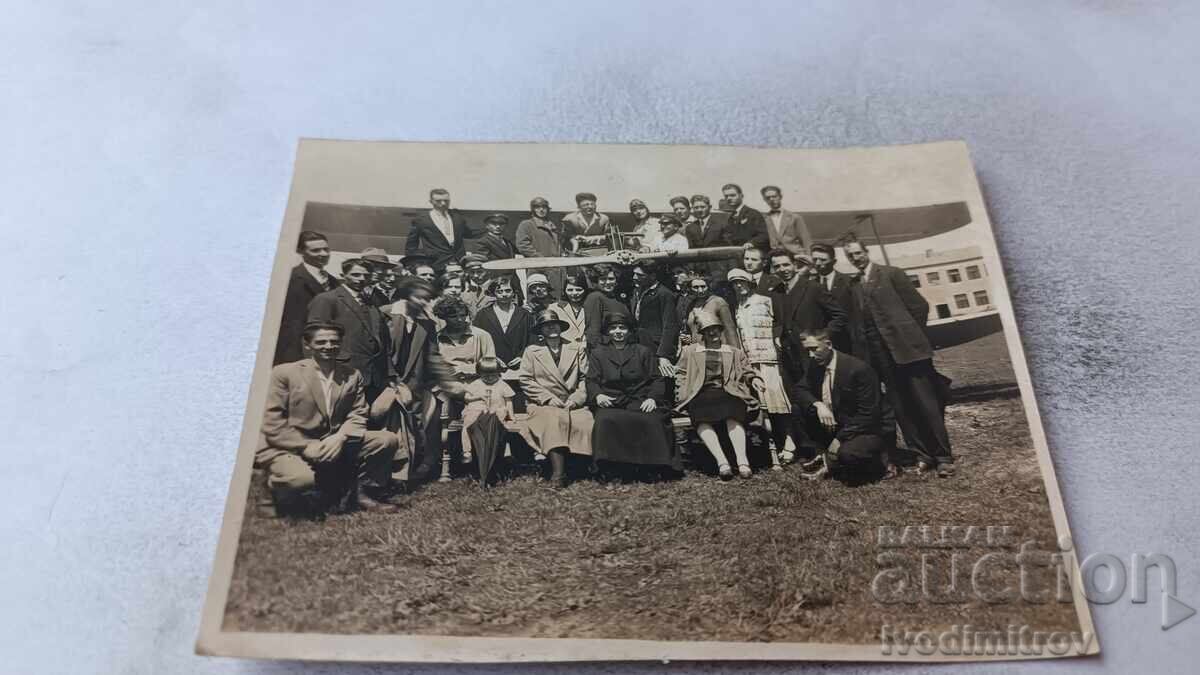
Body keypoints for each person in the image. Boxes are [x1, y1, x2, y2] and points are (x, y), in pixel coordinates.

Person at [257, 321, 403, 517]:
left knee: (386, 440)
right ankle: (274, 490)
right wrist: (306, 446)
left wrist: (341, 436)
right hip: (290, 445)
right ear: (308, 345)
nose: (329, 346)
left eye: (334, 341)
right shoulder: (284, 373)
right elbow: (271, 420)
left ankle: (361, 494)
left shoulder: (351, 375)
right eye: (321, 342)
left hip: (333, 440)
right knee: (301, 479)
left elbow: (358, 413)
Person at [844, 240, 953, 477]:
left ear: (866, 252)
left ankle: (944, 458)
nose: (855, 258)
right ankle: (921, 455)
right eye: (850, 255)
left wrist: (910, 337)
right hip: (881, 358)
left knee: (927, 405)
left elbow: (919, 306)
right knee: (902, 409)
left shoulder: (891, 274)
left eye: (858, 253)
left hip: (909, 353)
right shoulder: (854, 285)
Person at [386, 277, 460, 485]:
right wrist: (392, 380)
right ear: (407, 295)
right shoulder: (385, 315)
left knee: (413, 427)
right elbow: (379, 351)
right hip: (387, 381)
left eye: (426, 299)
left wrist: (450, 383)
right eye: (418, 297)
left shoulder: (426, 323)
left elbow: (433, 357)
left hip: (413, 383)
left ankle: (405, 477)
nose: (422, 302)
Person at [674, 311, 765, 479]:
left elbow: (747, 370)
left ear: (721, 330)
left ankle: (742, 461)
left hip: (729, 391)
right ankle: (722, 463)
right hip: (700, 394)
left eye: (715, 328)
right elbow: (680, 373)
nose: (712, 332)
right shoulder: (691, 351)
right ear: (702, 333)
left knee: (733, 410)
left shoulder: (734, 352)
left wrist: (754, 379)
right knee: (700, 414)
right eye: (708, 330)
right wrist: (682, 393)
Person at [587, 312, 680, 474]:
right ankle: (610, 466)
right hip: (612, 400)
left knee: (653, 419)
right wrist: (598, 395)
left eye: (622, 328)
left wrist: (652, 398)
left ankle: (653, 466)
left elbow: (657, 379)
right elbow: (591, 380)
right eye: (613, 328)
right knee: (605, 419)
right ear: (607, 331)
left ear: (629, 331)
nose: (618, 332)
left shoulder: (643, 351)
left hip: (640, 399)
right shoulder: (598, 353)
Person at [791, 329, 887, 484]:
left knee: (848, 454)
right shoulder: (816, 364)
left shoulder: (858, 369)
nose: (810, 355)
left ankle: (877, 459)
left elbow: (869, 415)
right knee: (798, 409)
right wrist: (819, 405)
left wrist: (839, 438)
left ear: (828, 344)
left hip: (862, 429)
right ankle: (820, 454)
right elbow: (799, 390)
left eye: (814, 349)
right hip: (836, 423)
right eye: (807, 350)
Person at [728, 269, 796, 467]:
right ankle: (773, 444)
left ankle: (790, 442)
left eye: (741, 282)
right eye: (735, 283)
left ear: (750, 283)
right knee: (764, 406)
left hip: (770, 359)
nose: (738, 286)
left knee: (779, 402)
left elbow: (781, 324)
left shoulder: (766, 301)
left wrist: (778, 342)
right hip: (752, 361)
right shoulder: (738, 307)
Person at [518, 310, 594, 487]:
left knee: (584, 421)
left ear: (561, 327)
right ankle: (558, 473)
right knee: (552, 420)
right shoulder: (532, 351)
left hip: (571, 402)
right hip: (542, 403)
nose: (551, 328)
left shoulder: (575, 348)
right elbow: (526, 379)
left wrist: (577, 398)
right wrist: (547, 398)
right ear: (540, 330)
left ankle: (580, 469)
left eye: (554, 324)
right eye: (546, 326)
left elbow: (585, 378)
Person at [307, 258, 393, 404]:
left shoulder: (371, 304)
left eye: (366, 275)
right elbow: (313, 337)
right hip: (341, 373)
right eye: (355, 275)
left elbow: (384, 341)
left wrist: (389, 374)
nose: (361, 279)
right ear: (343, 275)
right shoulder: (327, 299)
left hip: (374, 377)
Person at [766, 248, 845, 370]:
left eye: (786, 265)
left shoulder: (814, 288)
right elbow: (777, 320)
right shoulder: (775, 292)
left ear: (794, 265)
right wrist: (777, 336)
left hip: (814, 354)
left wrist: (822, 337)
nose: (782, 269)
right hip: (791, 358)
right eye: (777, 266)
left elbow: (840, 316)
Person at [275, 231, 341, 365]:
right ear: (300, 252)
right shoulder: (289, 278)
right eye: (316, 250)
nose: (324, 254)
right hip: (295, 350)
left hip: (327, 349)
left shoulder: (334, 282)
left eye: (326, 249)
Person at [459, 356, 515, 485]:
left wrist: (511, 415)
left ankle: (506, 450)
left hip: (496, 409)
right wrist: (478, 397)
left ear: (498, 373)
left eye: (493, 375)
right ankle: (467, 450)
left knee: (501, 421)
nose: (489, 378)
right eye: (485, 375)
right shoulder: (476, 384)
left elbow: (509, 401)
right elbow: (467, 398)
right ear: (479, 373)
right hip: (478, 410)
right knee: (468, 423)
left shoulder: (502, 384)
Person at [472, 275, 534, 381]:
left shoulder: (524, 314)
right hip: (491, 368)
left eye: (508, 290)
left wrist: (522, 356)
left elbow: (532, 339)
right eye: (499, 291)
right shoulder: (483, 314)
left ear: (514, 292)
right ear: (494, 293)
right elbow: (476, 340)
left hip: (519, 367)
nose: (504, 294)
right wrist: (490, 356)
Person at [629, 260, 680, 375]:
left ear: (652, 276)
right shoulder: (636, 292)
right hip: (639, 347)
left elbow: (670, 326)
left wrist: (664, 355)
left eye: (640, 275)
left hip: (655, 349)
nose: (634, 277)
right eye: (634, 274)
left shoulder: (664, 294)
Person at [405, 188, 471, 270]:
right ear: (431, 201)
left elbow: (470, 233)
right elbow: (411, 245)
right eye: (438, 201)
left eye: (446, 200)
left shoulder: (457, 217)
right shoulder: (421, 220)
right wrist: (415, 264)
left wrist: (486, 229)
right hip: (436, 265)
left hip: (459, 264)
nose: (443, 203)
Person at [810, 242, 858, 353]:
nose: (818, 263)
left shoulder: (848, 282)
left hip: (848, 341)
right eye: (815, 259)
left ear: (833, 261)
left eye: (823, 260)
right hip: (822, 344)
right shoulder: (809, 285)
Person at [515, 197, 567, 296]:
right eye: (537, 207)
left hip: (557, 268)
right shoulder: (527, 224)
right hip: (537, 267)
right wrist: (541, 259)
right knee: (538, 297)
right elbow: (522, 245)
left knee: (558, 297)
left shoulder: (553, 225)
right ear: (533, 209)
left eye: (544, 207)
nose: (541, 210)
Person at [684, 274, 742, 350]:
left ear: (708, 286)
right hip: (698, 351)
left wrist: (735, 352)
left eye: (703, 287)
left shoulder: (718, 302)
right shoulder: (690, 306)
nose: (700, 290)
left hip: (717, 349)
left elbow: (730, 330)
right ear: (690, 288)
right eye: (696, 287)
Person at [583, 263, 628, 349]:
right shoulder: (595, 297)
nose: (607, 282)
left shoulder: (617, 298)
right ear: (596, 281)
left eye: (611, 279)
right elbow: (593, 333)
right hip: (607, 349)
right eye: (603, 279)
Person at [760, 185, 812, 256]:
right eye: (768, 198)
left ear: (780, 197)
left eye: (774, 196)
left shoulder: (795, 217)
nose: (771, 199)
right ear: (764, 200)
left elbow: (806, 241)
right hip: (774, 256)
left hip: (795, 255)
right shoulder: (764, 219)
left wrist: (809, 258)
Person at [721, 183, 769, 250]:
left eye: (732, 195)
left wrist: (751, 243)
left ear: (741, 196)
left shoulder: (753, 214)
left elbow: (764, 235)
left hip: (752, 251)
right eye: (726, 196)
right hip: (736, 251)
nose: (729, 198)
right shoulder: (730, 217)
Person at [548, 272, 589, 345]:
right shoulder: (554, 308)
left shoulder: (591, 306)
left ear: (585, 290)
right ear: (565, 291)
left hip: (587, 347)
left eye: (578, 290)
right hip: (564, 347)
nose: (574, 293)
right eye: (570, 290)